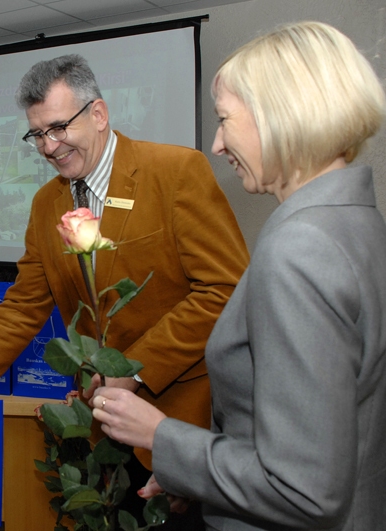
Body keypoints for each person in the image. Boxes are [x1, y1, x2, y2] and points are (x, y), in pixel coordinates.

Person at [0, 54, 250, 526]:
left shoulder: (175, 172)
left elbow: (225, 289)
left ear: (98, 114)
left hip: (181, 422)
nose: (49, 147)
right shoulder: (45, 202)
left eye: (58, 128)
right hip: (101, 434)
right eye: (37, 134)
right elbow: (23, 307)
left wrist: (131, 372)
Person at [92, 21, 386, 530]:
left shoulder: (301, 248)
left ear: (281, 117)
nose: (218, 143)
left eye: (225, 119)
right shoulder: (355, 221)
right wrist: (195, 474)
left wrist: (162, 436)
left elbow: (305, 488)